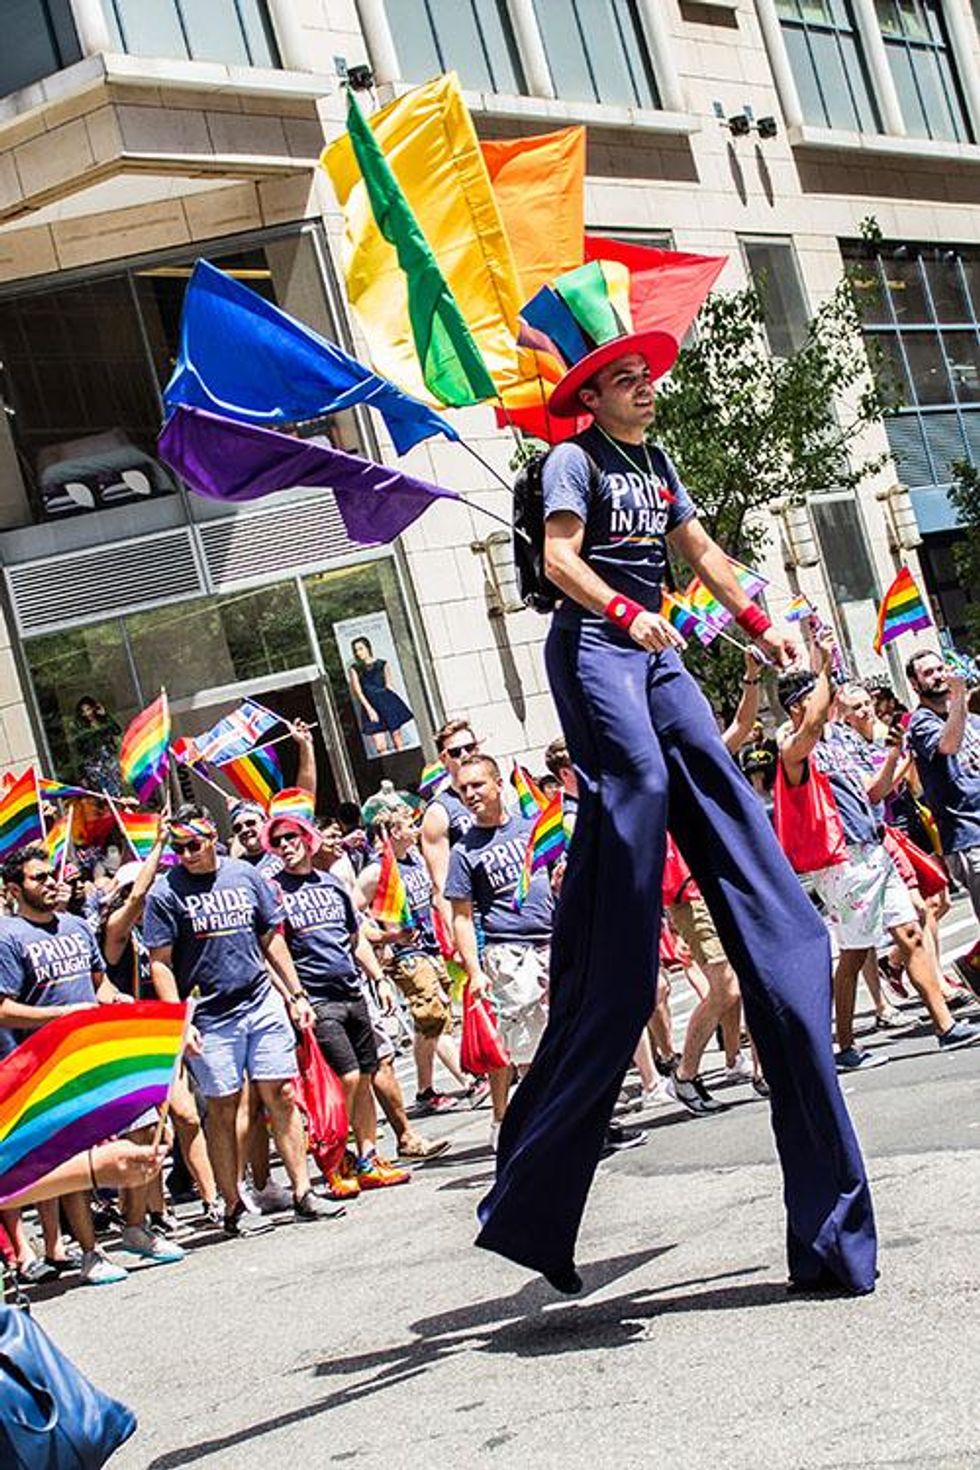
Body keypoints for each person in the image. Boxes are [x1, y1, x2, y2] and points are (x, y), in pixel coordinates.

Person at [476, 263, 876, 1298]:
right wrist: (622, 611)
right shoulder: (570, 463)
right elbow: (559, 564)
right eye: (625, 378)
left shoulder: (655, 462)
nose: (645, 387)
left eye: (645, 375)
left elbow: (702, 554)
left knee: (710, 776)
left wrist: (766, 625)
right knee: (642, 786)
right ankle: (611, 921)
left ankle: (774, 925)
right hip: (595, 648)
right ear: (590, 393)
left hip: (655, 655)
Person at [777, 638, 980, 1068]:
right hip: (841, 860)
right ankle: (845, 1045)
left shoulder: (842, 740)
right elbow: (811, 727)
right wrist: (822, 666)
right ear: (797, 707)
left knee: (911, 933)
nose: (830, 701)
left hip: (873, 848)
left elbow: (873, 792)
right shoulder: (794, 747)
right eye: (818, 696)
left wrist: (891, 756)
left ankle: (945, 1026)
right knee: (853, 954)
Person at [144, 804, 342, 1235]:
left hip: (260, 1000)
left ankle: (303, 1192)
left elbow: (270, 936)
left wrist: (296, 994)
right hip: (210, 1015)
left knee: (282, 1094)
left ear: (213, 837)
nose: (187, 854)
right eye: (179, 848)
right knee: (224, 1107)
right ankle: (232, 1203)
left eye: (194, 845)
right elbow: (160, 962)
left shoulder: (245, 875)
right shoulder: (164, 893)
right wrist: (179, 1021)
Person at [0, 844, 133, 1285]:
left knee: (147, 1130)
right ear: (14, 889)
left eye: (50, 875)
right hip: (44, 1066)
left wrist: (117, 1000)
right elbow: (2, 1009)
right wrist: (58, 1016)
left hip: (93, 1056)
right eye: (38, 877)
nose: (51, 882)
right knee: (70, 1156)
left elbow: (100, 985)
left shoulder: (76, 926)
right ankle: (90, 1252)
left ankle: (135, 1227)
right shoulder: (8, 937)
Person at [263, 801, 410, 1196]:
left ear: (307, 839)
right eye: (278, 841)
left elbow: (354, 937)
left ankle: (368, 1157)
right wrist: (294, 997)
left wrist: (378, 978)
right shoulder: (274, 891)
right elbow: (271, 950)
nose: (285, 845)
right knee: (345, 1076)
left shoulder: (330, 885)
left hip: (351, 990)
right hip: (316, 998)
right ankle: (334, 1152)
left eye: (291, 837)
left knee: (366, 1073)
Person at [445, 755, 552, 1149]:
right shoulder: (464, 852)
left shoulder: (531, 829)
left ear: (498, 784)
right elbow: (460, 917)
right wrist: (475, 971)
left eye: (478, 785)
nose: (471, 794)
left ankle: (579, 1118)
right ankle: (534, 1126)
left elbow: (558, 875)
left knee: (568, 1033)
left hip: (553, 942)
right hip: (508, 953)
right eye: (463, 789)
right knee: (527, 1045)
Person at [356, 805, 475, 1115]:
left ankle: (424, 1091)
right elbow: (353, 915)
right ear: (395, 832)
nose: (416, 829)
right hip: (405, 955)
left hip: (429, 946)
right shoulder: (376, 871)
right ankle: (471, 1080)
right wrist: (385, 938)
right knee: (433, 1015)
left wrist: (450, 933)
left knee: (431, 1021)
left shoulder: (415, 860)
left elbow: (435, 897)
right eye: (410, 825)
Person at [906, 650, 980, 926]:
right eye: (928, 673)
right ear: (915, 684)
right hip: (968, 834)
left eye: (940, 669)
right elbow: (948, 745)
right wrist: (959, 695)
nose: (938, 676)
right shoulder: (922, 722)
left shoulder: (970, 719)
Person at [420, 717, 480, 936]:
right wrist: (457, 937)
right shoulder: (439, 811)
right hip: (474, 919)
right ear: (444, 759)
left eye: (470, 747)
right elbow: (441, 884)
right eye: (456, 752)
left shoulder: (494, 794)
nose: (465, 755)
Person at [349, 637, 413, 755]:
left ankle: (406, 761)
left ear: (368, 648)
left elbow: (389, 685)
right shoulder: (355, 669)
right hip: (371, 705)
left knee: (397, 737)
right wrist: (369, 709)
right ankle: (389, 764)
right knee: (380, 745)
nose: (358, 653)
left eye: (361, 649)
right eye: (356, 650)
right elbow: (358, 692)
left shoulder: (382, 664)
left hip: (387, 702)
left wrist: (395, 707)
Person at [72, 695, 122, 796]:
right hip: (95, 766)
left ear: (93, 708)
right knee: (105, 794)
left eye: (88, 709)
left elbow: (117, 730)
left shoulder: (103, 722)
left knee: (117, 791)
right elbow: (79, 754)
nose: (87, 714)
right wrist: (82, 775)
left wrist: (105, 715)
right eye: (84, 711)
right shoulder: (82, 730)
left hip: (109, 762)